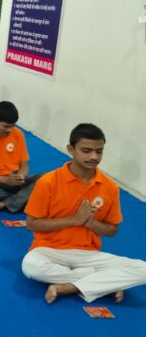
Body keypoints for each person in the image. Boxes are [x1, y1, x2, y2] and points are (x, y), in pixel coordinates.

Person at [21, 123, 146, 304]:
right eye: (86, 151)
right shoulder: (48, 182)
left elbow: (112, 230)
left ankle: (68, 287)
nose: (94, 157)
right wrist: (74, 220)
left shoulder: (109, 187)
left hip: (88, 254)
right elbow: (32, 223)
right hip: (49, 250)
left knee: (143, 269)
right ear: (71, 149)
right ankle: (105, 282)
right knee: (31, 267)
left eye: (99, 151)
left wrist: (91, 223)